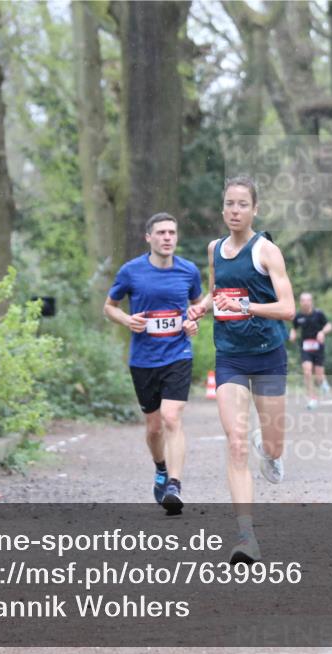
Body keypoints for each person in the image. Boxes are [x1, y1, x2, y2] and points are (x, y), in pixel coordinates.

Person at [188, 176, 295, 564]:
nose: (235, 210)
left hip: (268, 355)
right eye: (229, 204)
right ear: (223, 209)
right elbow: (216, 293)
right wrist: (201, 307)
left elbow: (287, 308)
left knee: (272, 445)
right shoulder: (215, 249)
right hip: (229, 355)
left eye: (242, 204)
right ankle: (246, 537)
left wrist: (248, 307)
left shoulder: (267, 251)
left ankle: (269, 452)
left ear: (255, 209)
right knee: (234, 440)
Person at [103, 213, 202, 515]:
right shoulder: (131, 271)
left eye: (172, 232)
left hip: (177, 355)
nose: (167, 237)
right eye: (161, 232)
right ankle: (160, 468)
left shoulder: (188, 271)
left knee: (172, 418)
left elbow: (196, 307)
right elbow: (109, 307)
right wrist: (126, 320)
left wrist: (192, 322)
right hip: (144, 359)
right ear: (149, 237)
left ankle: (174, 483)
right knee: (154, 427)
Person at [289, 292, 332, 409]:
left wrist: (322, 332)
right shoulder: (298, 316)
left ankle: (324, 384)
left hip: (318, 347)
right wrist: (292, 334)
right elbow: (294, 328)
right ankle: (312, 399)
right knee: (307, 371)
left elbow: (329, 325)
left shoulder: (319, 314)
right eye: (303, 300)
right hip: (306, 348)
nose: (305, 303)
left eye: (308, 300)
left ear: (311, 301)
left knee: (319, 375)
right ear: (300, 302)